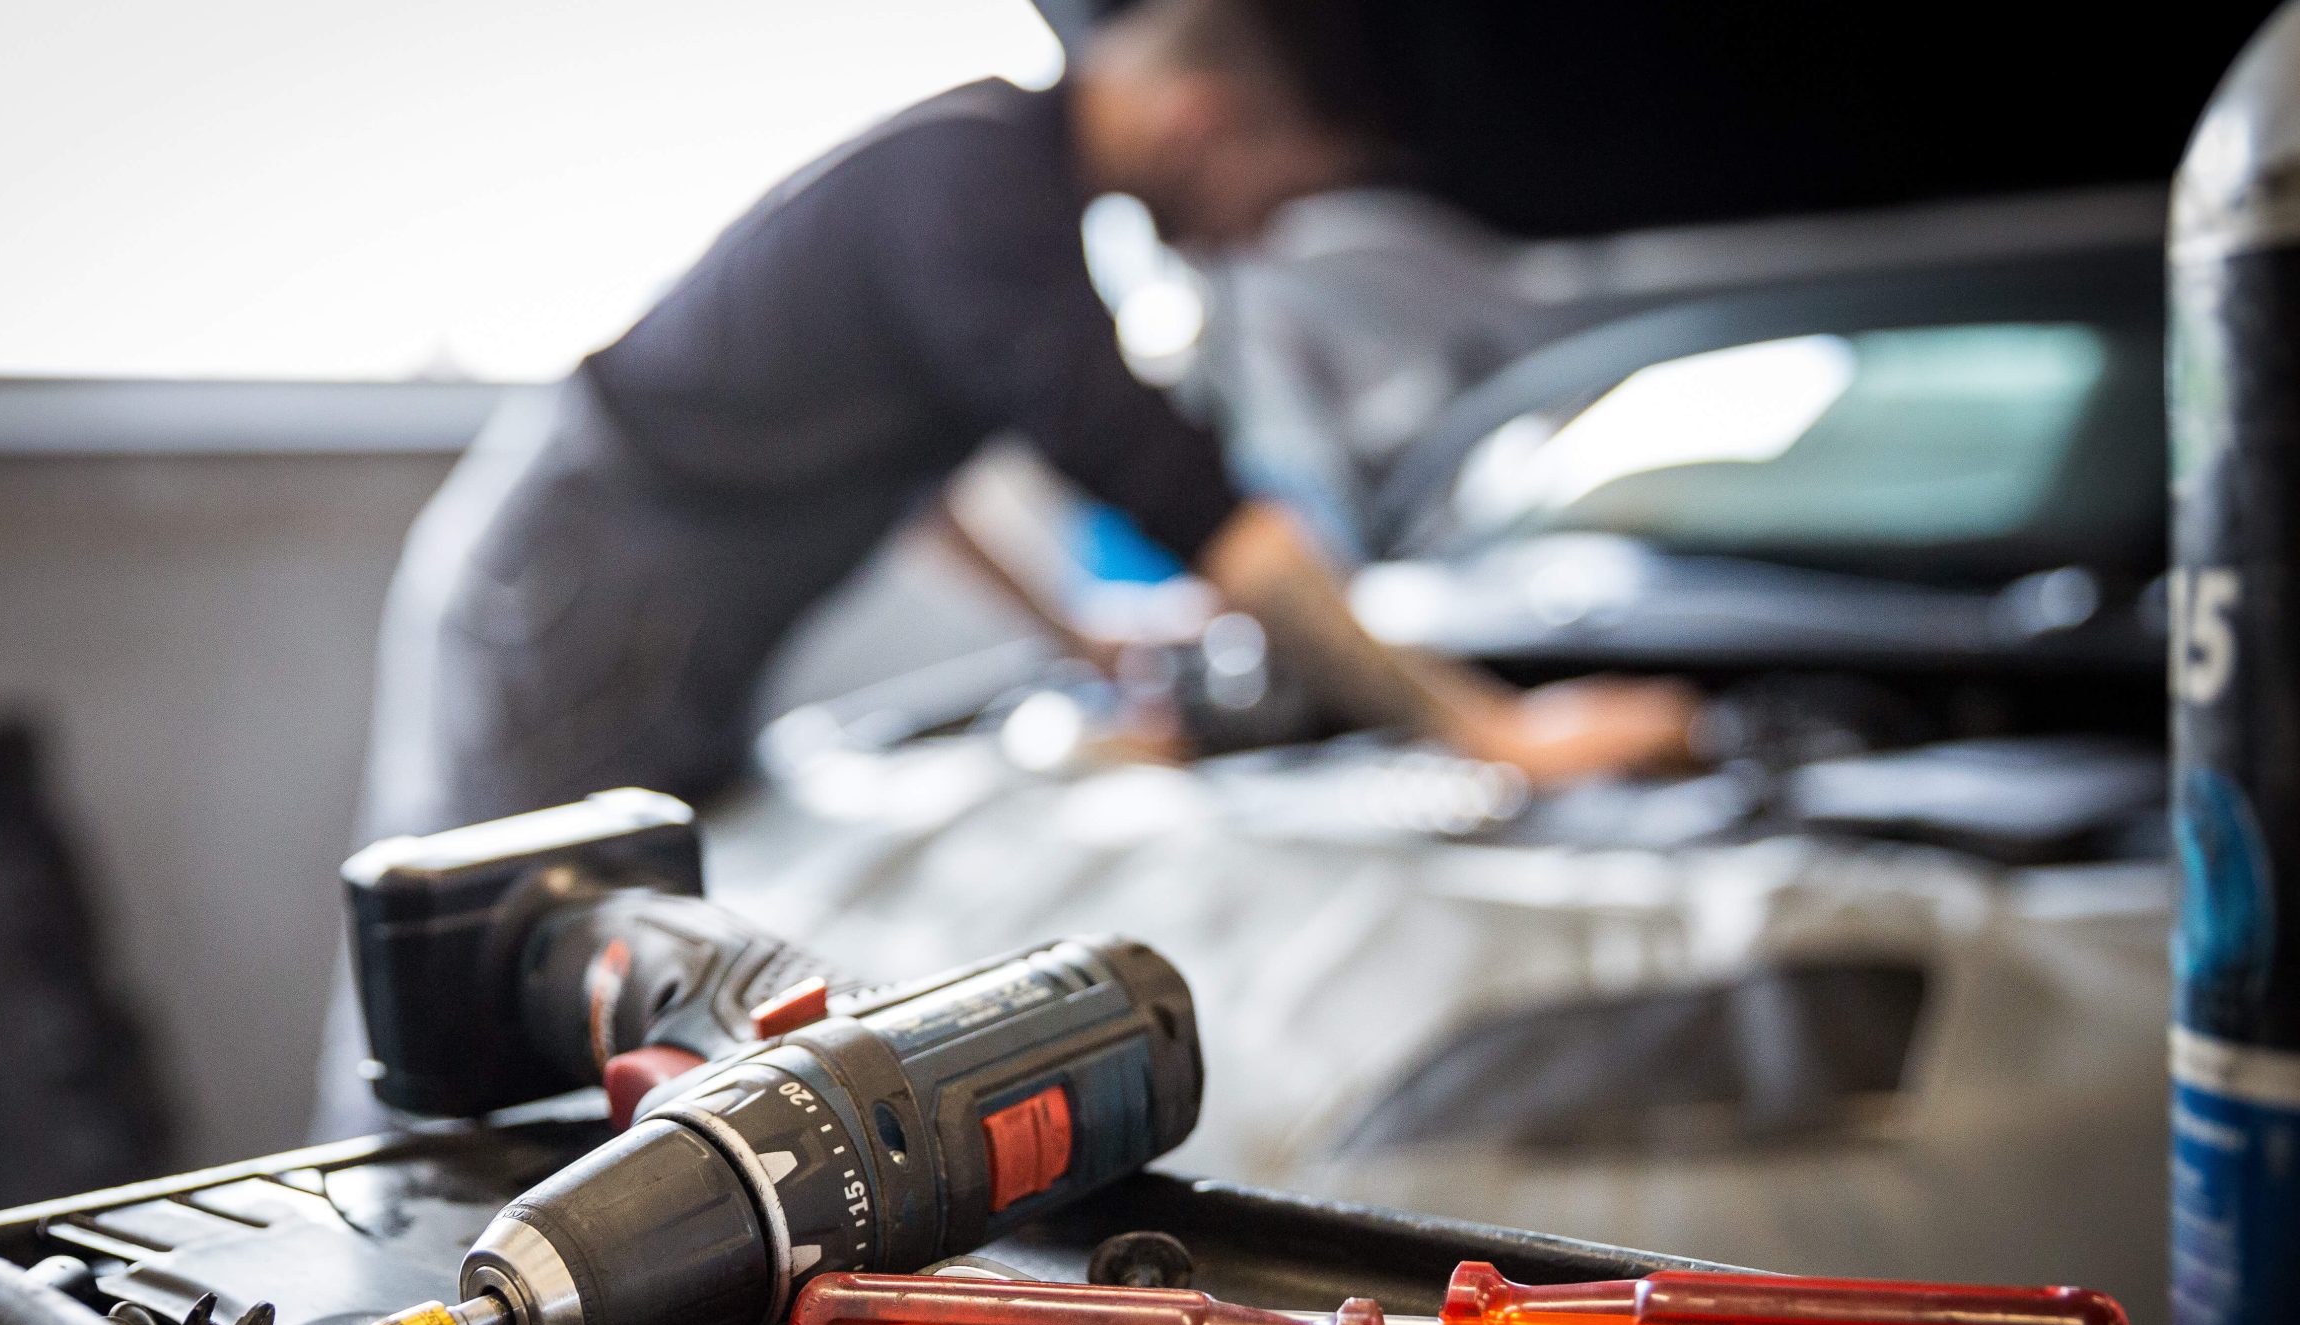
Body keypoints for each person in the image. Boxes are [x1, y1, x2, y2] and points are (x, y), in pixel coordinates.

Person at [318, 0, 1692, 1137]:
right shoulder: (981, 188)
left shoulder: (983, 181)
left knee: (583, 982)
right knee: (471, 980)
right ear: (1204, 118)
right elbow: (1190, 497)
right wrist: (1493, 732)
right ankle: (346, 1321)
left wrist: (1079, 634)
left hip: (618, 604)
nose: (1252, 236)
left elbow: (915, 474)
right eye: (1272, 192)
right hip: (570, 602)